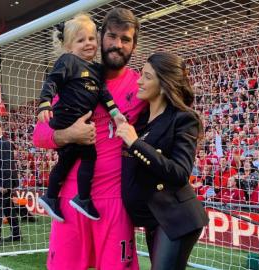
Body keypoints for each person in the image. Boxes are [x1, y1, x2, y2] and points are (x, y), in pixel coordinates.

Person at [33, 8, 144, 269]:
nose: (117, 45)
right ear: (100, 36)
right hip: (70, 200)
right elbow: (39, 135)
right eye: (112, 36)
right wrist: (68, 134)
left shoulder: (140, 88)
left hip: (115, 202)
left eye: (126, 39)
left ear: (133, 46)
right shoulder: (72, 78)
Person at [116, 52, 209, 269]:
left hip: (175, 218)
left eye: (147, 77)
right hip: (154, 220)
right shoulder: (140, 122)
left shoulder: (183, 119)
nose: (139, 81)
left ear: (163, 83)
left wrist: (136, 143)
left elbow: (180, 173)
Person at [37, 13, 126, 222]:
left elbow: (103, 93)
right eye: (80, 40)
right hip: (66, 118)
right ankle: (82, 198)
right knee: (88, 157)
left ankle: (52, 197)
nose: (88, 43)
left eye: (91, 39)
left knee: (67, 161)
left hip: (80, 121)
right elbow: (53, 81)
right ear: (68, 46)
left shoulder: (96, 70)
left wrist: (115, 113)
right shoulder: (68, 61)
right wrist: (45, 103)